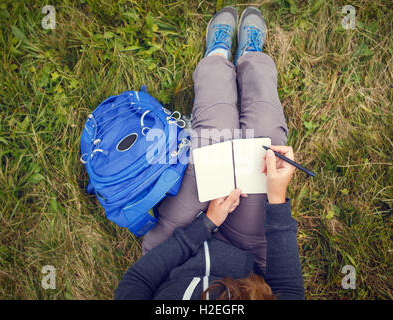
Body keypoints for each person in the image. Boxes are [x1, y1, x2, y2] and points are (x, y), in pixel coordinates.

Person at [115, 6, 304, 300]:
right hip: (250, 256)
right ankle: (250, 56)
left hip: (178, 244)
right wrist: (277, 199)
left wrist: (206, 225)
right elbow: (289, 290)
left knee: (214, 132)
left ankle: (216, 56)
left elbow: (139, 278)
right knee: (267, 138)